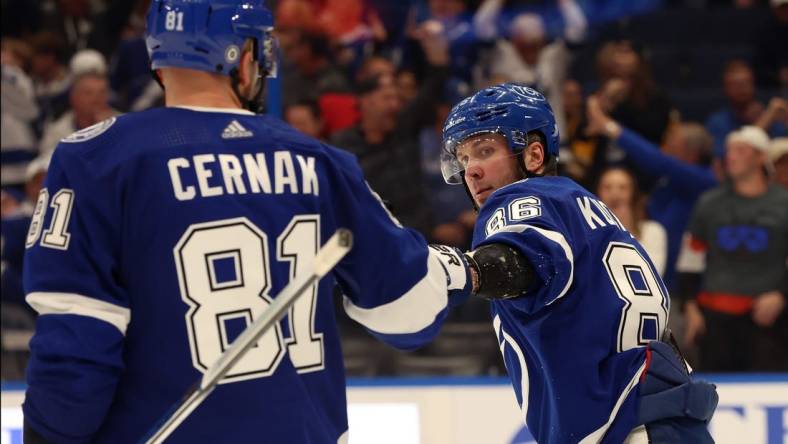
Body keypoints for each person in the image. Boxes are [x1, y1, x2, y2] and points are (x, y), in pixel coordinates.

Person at [21, 1, 473, 442]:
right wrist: (457, 269)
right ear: (244, 57)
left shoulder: (97, 159)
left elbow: (75, 354)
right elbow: (409, 313)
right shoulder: (318, 160)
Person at [440, 83, 717, 443]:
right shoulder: (585, 206)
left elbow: (522, 259)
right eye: (463, 159)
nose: (471, 170)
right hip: (665, 418)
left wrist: (464, 270)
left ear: (534, 155)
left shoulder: (520, 197)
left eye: (485, 150)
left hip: (622, 422)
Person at [677, 126, 788, 371]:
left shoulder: (783, 204)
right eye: (728, 150)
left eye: (741, 150)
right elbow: (689, 260)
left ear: (761, 157)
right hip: (716, 319)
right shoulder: (709, 203)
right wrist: (691, 307)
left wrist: (781, 295)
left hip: (768, 321)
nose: (731, 156)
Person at [596, 166, 668, 277]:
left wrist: (624, 228)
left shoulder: (653, 231)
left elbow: (652, 275)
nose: (615, 194)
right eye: (607, 187)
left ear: (633, 194)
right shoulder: (588, 234)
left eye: (622, 188)